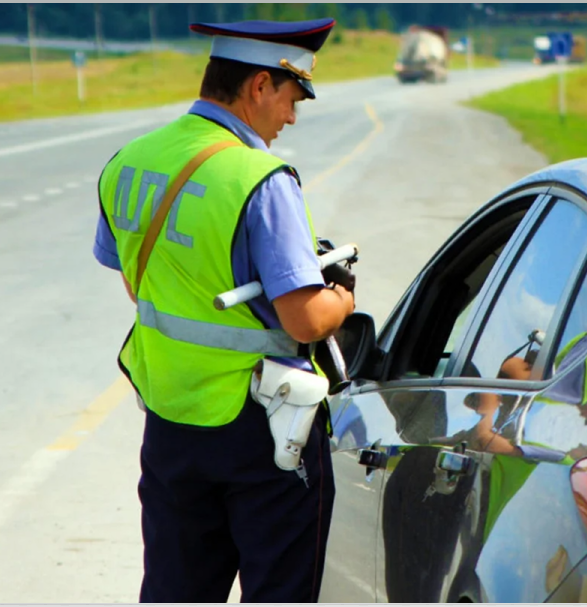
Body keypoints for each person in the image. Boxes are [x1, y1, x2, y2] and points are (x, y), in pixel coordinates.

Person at [90, 17, 355, 603]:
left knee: (176, 589)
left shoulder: (130, 158)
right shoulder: (260, 177)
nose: (291, 118)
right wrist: (342, 298)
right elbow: (305, 320)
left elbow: (138, 283)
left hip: (170, 420)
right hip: (262, 428)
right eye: (292, 98)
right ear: (259, 86)